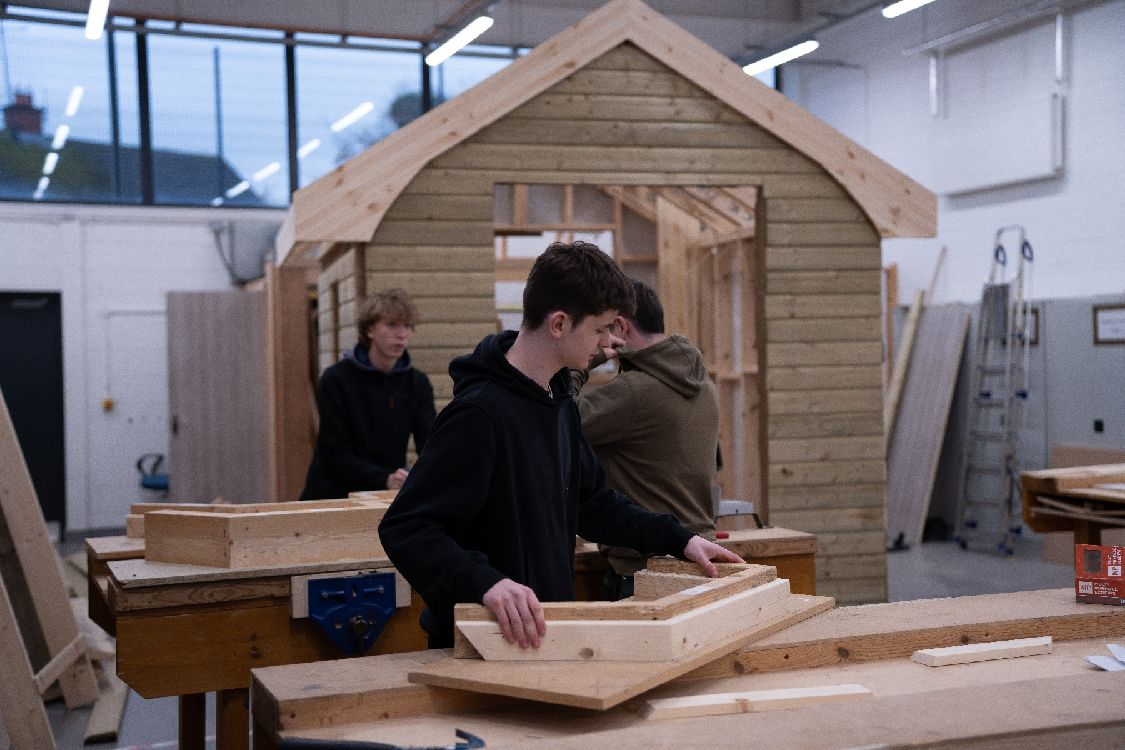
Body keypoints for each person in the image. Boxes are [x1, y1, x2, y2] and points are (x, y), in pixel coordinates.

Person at [379, 241, 743, 650]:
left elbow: (593, 503)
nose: (608, 343)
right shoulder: (479, 415)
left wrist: (679, 539)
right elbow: (406, 528)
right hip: (479, 646)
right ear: (558, 324)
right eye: (600, 328)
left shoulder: (558, 404)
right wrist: (487, 584)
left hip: (539, 636)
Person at [573, 279, 721, 600]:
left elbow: (555, 423)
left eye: (601, 329)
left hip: (641, 571)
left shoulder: (632, 392)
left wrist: (584, 362)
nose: (597, 338)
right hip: (697, 558)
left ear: (621, 327)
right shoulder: (701, 382)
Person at [300, 288, 435, 500]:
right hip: (333, 496)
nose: (402, 334)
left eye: (407, 326)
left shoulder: (418, 384)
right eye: (391, 325)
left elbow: (429, 444)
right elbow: (335, 452)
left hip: (384, 496)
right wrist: (384, 478)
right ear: (370, 330)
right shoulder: (336, 380)